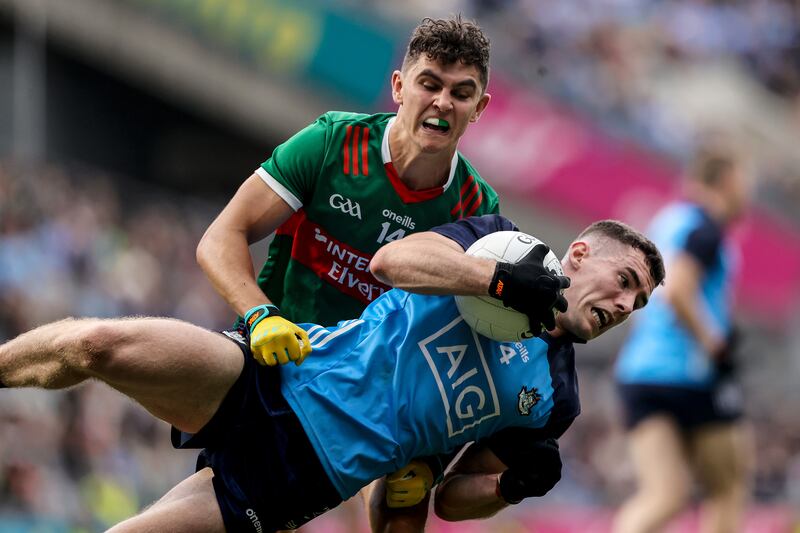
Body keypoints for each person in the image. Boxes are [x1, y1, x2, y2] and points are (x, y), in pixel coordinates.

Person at [0, 214, 662, 532]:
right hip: (278, 373)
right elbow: (392, 263)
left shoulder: (557, 398)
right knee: (98, 342)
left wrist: (513, 483)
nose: (626, 305)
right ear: (579, 253)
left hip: (302, 475)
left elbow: (452, 499)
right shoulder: (497, 241)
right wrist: (494, 278)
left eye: (639, 302)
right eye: (625, 281)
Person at [195, 15, 515, 528]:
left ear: (479, 108)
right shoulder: (332, 143)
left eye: (461, 92)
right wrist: (260, 314)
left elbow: (457, 344)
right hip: (273, 357)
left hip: (360, 399)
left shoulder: (479, 208)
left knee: (405, 508)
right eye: (429, 84)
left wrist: (431, 462)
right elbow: (221, 237)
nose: (441, 102)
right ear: (398, 86)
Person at [612, 142, 753, 533]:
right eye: (744, 182)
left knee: (664, 495)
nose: (748, 194)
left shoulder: (666, 222)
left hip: (640, 372)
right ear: (725, 181)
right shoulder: (705, 228)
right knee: (727, 487)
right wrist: (714, 343)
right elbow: (679, 290)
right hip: (691, 373)